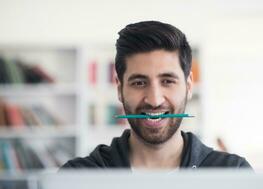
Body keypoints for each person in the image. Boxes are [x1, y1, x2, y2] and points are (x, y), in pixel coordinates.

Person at [61, 21, 251, 170]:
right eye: (139, 83)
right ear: (119, 89)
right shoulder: (76, 176)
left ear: (189, 86)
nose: (154, 100)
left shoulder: (233, 172)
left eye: (167, 81)